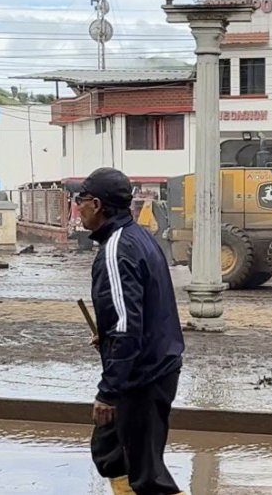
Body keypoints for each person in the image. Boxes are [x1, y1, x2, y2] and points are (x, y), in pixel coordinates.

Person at [78, 167, 186, 495]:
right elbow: (134, 314)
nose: (77, 207)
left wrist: (109, 390)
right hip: (152, 365)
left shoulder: (116, 249)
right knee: (110, 451)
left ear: (96, 204)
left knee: (148, 477)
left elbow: (127, 325)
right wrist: (108, 337)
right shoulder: (138, 238)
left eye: (79, 200)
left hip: (142, 375)